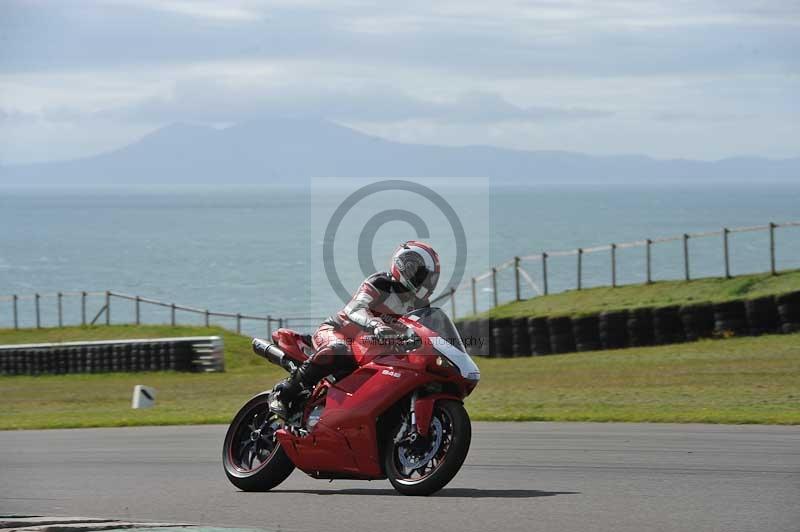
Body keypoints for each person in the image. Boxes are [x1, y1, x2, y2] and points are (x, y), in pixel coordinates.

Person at [268, 240, 440, 418]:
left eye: (431, 278)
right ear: (407, 267)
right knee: (339, 350)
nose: (428, 282)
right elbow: (355, 308)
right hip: (339, 331)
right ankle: (285, 392)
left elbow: (425, 330)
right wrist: (375, 324)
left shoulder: (421, 304)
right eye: (424, 275)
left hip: (373, 347)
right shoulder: (381, 283)